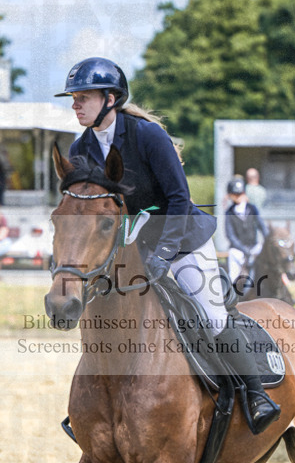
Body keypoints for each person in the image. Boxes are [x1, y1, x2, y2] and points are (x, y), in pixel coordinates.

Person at [55, 56, 281, 435]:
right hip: (131, 246)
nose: (75, 103)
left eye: (83, 96)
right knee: (104, 315)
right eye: (73, 97)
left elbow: (178, 199)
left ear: (110, 99)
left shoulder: (147, 136)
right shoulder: (82, 147)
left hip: (181, 239)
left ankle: (255, 394)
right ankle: (92, 408)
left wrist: (162, 256)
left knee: (211, 316)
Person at [225, 177, 269, 289]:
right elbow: (230, 235)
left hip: (254, 247)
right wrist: (244, 249)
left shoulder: (252, 209)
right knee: (233, 274)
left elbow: (261, 226)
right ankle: (230, 293)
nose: (239, 196)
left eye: (240, 194)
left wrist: (268, 239)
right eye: (235, 194)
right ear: (231, 195)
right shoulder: (229, 213)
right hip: (238, 250)